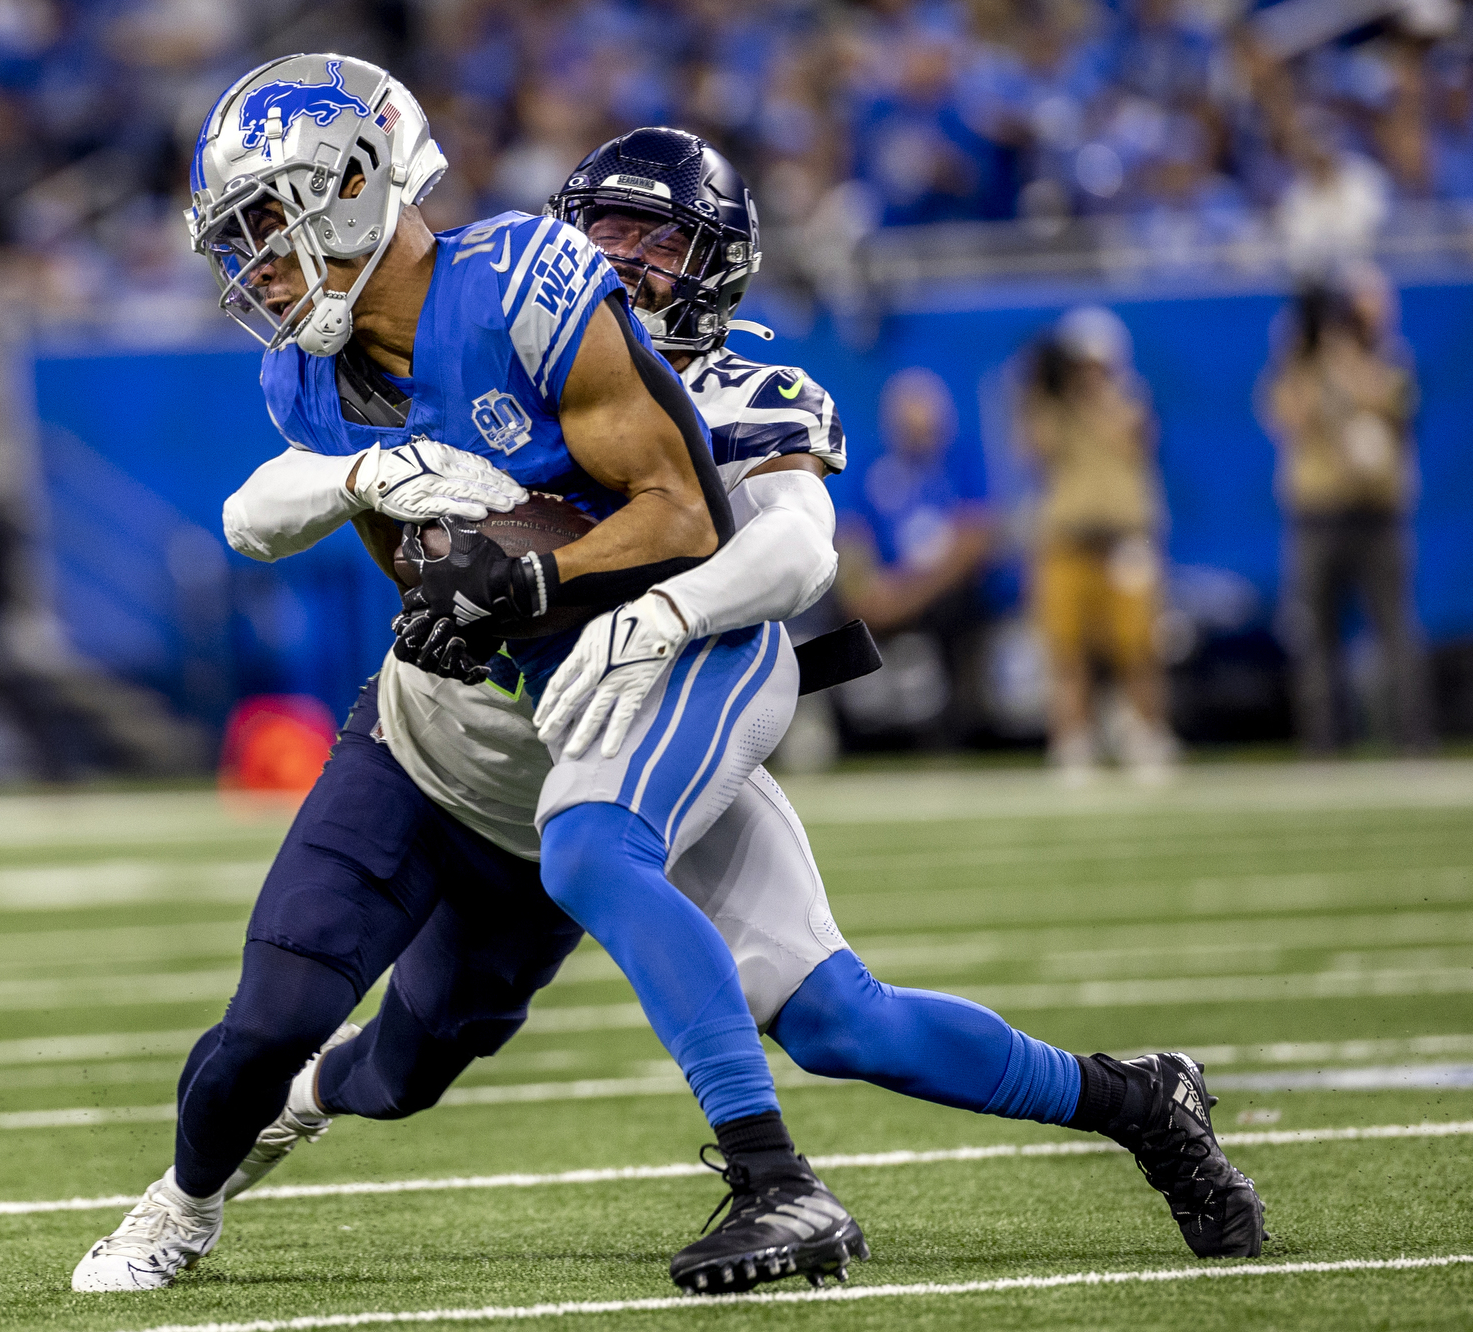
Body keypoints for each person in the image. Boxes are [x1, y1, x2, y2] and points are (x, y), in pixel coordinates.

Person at [71, 110, 1267, 1294]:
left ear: (718, 268)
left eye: (658, 241)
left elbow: (794, 556)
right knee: (399, 1056)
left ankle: (842, 1160)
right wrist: (374, 481)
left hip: (649, 705)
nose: (623, 262)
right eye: (603, 230)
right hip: (469, 726)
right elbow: (272, 504)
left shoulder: (745, 387)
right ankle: (1133, 1097)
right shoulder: (495, 342)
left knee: (808, 1002)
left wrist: (650, 612)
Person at [73, 59, 852, 1297]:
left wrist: (529, 578)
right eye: (239, 239)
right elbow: (259, 517)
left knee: (407, 1070)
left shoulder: (528, 295)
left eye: (268, 224)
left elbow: (687, 519)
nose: (254, 266)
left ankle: (326, 1099)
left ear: (353, 188)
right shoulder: (309, 368)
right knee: (266, 1014)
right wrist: (372, 486)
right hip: (423, 733)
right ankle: (182, 1200)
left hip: (571, 751)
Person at [1258, 281, 1429, 753]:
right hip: (1318, 515)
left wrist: (1348, 358)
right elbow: (1288, 418)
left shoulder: (1391, 362)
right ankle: (1325, 743)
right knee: (1317, 635)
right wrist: (1305, 354)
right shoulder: (1299, 368)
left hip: (1377, 515)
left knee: (1394, 630)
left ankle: (1411, 739)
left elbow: (1393, 406)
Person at [1018, 307, 1177, 784]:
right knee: (1067, 649)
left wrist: (1088, 398)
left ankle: (1146, 733)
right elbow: (1035, 449)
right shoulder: (1050, 407)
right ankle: (1073, 740)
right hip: (1068, 540)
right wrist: (1041, 388)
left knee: (1137, 647)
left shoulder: (1128, 399)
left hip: (1123, 539)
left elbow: (1132, 438)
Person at [838, 366, 995, 747]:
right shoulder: (874, 468)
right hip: (888, 586)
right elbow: (850, 536)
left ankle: (954, 732)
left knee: (958, 610)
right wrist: (864, 591)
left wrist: (907, 596)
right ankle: (851, 732)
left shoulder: (962, 464)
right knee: (838, 612)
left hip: (943, 590)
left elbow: (975, 539)